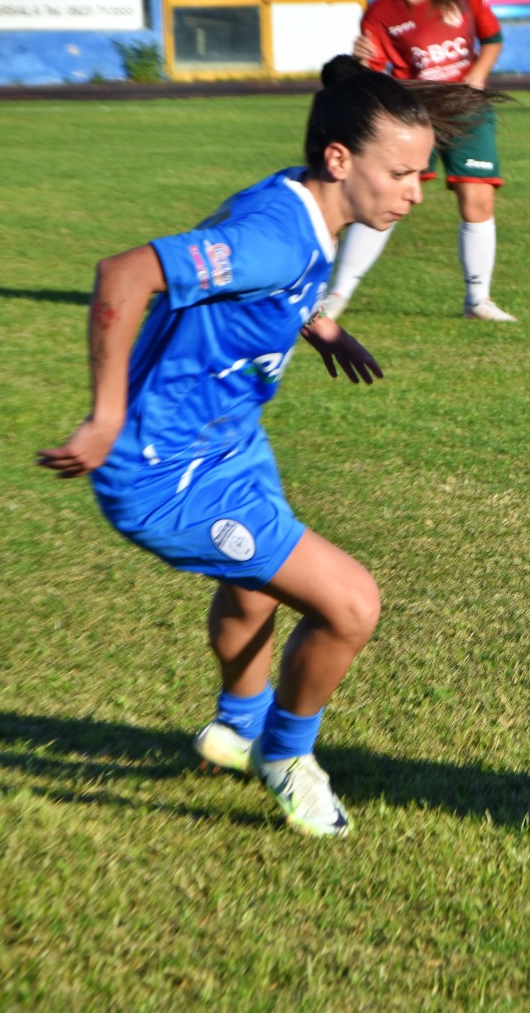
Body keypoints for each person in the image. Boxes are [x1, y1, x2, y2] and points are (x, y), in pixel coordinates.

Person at [37, 57, 495, 838]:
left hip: (228, 443)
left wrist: (314, 324)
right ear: (341, 161)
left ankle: (237, 727)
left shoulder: (302, 203)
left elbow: (257, 280)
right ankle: (286, 755)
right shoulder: (275, 239)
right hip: (166, 474)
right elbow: (122, 275)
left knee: (253, 586)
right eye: (404, 174)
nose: (417, 193)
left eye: (423, 173)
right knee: (352, 606)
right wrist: (106, 415)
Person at [325, 0, 515, 322]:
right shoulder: (381, 12)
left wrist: (477, 73)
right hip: (414, 114)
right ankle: (337, 295)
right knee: (387, 200)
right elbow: (372, 76)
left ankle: (478, 301)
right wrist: (363, 63)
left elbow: (492, 39)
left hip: (467, 109)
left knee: (477, 199)